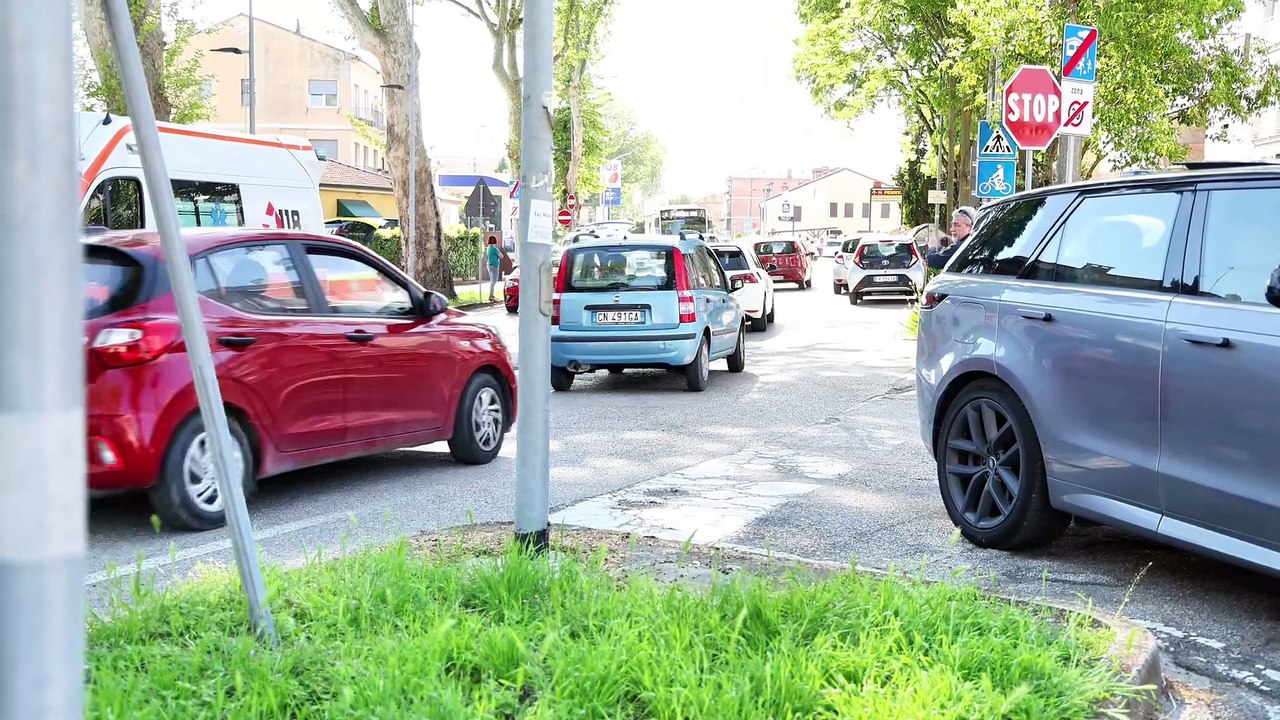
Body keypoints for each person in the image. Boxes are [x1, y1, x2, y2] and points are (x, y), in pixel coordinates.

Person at [926, 206, 977, 270]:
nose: (951, 229)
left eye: (957, 225)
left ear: (970, 228)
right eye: (952, 225)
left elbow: (931, 260)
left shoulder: (963, 246)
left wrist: (932, 247)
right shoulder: (973, 243)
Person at [486, 236, 502, 302]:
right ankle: (491, 295)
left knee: (492, 280)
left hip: (489, 265)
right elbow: (501, 256)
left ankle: (491, 295)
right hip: (494, 265)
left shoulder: (488, 248)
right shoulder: (495, 249)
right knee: (494, 281)